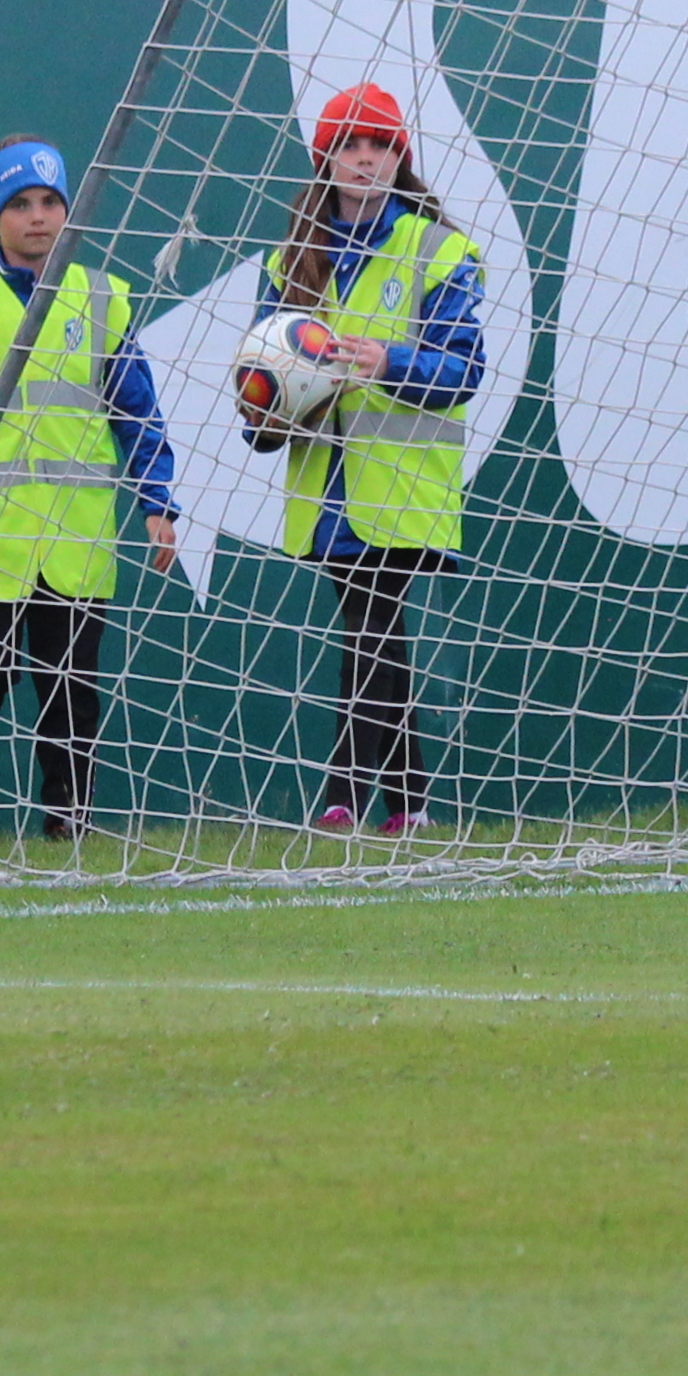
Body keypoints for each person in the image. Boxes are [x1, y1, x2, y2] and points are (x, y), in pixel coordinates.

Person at [0, 137, 182, 842]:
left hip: (77, 536)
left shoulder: (102, 298)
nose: (38, 217)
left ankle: (69, 817)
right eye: (20, 204)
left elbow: (137, 411)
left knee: (71, 686)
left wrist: (157, 501)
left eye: (50, 202)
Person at [248, 83, 487, 837]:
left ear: (399, 157)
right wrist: (267, 409)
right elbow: (260, 379)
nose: (364, 158)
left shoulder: (438, 249)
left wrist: (388, 361)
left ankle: (342, 795)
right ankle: (409, 803)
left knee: (371, 624)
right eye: (348, 144)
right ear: (325, 158)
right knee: (378, 633)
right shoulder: (290, 258)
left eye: (379, 145)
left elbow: (465, 370)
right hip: (327, 489)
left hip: (403, 483)